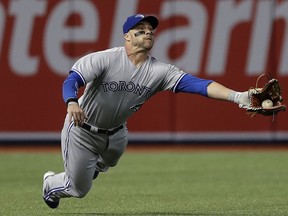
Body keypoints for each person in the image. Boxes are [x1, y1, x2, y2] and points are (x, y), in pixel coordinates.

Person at [42, 14, 250, 209]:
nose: (148, 32)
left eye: (150, 29)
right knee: (78, 189)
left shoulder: (160, 71)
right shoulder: (104, 59)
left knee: (109, 161)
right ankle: (50, 184)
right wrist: (71, 102)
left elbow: (200, 85)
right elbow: (72, 80)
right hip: (82, 130)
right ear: (127, 37)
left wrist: (238, 96)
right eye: (140, 30)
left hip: (117, 135)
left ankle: (91, 167)